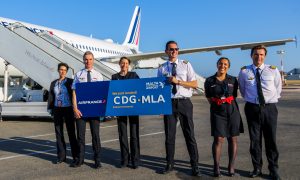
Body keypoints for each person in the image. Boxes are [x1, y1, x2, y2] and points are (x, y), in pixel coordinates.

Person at [157, 40, 201, 177]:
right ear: (166, 51)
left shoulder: (186, 65)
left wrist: (179, 82)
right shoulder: (162, 68)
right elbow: (158, 87)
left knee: (189, 135)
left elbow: (194, 84)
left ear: (178, 51)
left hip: (184, 103)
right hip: (169, 103)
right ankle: (169, 164)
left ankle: (195, 166)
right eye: (171, 49)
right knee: (169, 136)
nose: (174, 51)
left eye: (176, 49)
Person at [238, 45, 282, 180]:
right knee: (255, 140)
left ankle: (273, 168)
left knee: (271, 140)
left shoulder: (273, 70)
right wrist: (254, 101)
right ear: (251, 55)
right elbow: (243, 89)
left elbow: (278, 88)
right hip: (252, 108)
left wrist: (268, 101)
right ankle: (257, 168)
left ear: (265, 56)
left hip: (269, 108)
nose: (259, 57)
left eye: (262, 54)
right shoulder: (245, 72)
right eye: (256, 54)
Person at [204, 57, 244, 177]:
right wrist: (218, 105)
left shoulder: (233, 80)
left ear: (228, 66)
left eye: (225, 64)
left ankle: (231, 166)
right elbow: (208, 97)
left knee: (233, 138)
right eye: (220, 63)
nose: (223, 66)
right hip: (217, 111)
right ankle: (216, 167)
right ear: (217, 65)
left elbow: (234, 95)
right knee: (218, 139)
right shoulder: (210, 80)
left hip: (232, 111)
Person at [71, 51, 104, 169]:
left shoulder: (98, 75)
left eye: (90, 59)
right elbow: (74, 93)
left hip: (94, 111)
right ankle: (80, 159)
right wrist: (75, 109)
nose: (88, 61)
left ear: (93, 60)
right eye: (86, 59)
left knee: (96, 136)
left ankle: (97, 160)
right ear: (83, 60)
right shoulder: (78, 75)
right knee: (80, 136)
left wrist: (100, 109)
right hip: (81, 111)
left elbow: (101, 93)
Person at [111, 57, 140, 169]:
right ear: (119, 64)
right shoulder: (115, 77)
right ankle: (124, 159)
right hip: (121, 109)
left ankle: (135, 160)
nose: (124, 65)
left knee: (134, 135)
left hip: (133, 109)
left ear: (129, 65)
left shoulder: (134, 75)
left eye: (126, 63)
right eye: (122, 63)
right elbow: (112, 93)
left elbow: (140, 89)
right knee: (122, 135)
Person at [47, 62, 78, 165]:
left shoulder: (70, 82)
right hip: (57, 109)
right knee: (59, 133)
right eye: (61, 69)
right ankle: (61, 157)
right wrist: (50, 108)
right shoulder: (54, 83)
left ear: (67, 71)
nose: (62, 71)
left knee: (71, 133)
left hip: (68, 109)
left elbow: (75, 94)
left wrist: (75, 108)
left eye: (64, 70)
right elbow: (51, 97)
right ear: (58, 70)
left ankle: (75, 157)